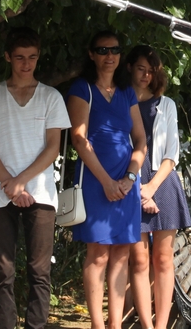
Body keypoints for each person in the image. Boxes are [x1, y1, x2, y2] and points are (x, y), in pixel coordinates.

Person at [0, 28, 70, 329]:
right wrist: (11, 187)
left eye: (33, 58)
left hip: (39, 193)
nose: (26, 64)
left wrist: (20, 182)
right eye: (20, 58)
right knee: (2, 272)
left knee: (40, 271)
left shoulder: (51, 97)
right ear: (8, 58)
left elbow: (53, 148)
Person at [67, 30, 148, 329]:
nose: (109, 55)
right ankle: (98, 326)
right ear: (91, 54)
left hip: (126, 180)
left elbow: (140, 140)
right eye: (102, 50)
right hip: (95, 178)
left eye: (114, 50)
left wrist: (129, 177)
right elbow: (79, 139)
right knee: (98, 253)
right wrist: (105, 181)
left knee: (122, 253)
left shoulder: (127, 91)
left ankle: (116, 324)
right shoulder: (81, 88)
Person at [125, 45, 191, 329]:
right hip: (129, 183)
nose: (145, 75)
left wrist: (150, 188)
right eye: (141, 68)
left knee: (163, 259)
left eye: (151, 70)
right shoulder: (120, 101)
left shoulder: (166, 105)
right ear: (129, 68)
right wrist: (139, 187)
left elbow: (172, 155)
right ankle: (146, 325)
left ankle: (162, 325)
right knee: (138, 260)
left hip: (162, 183)